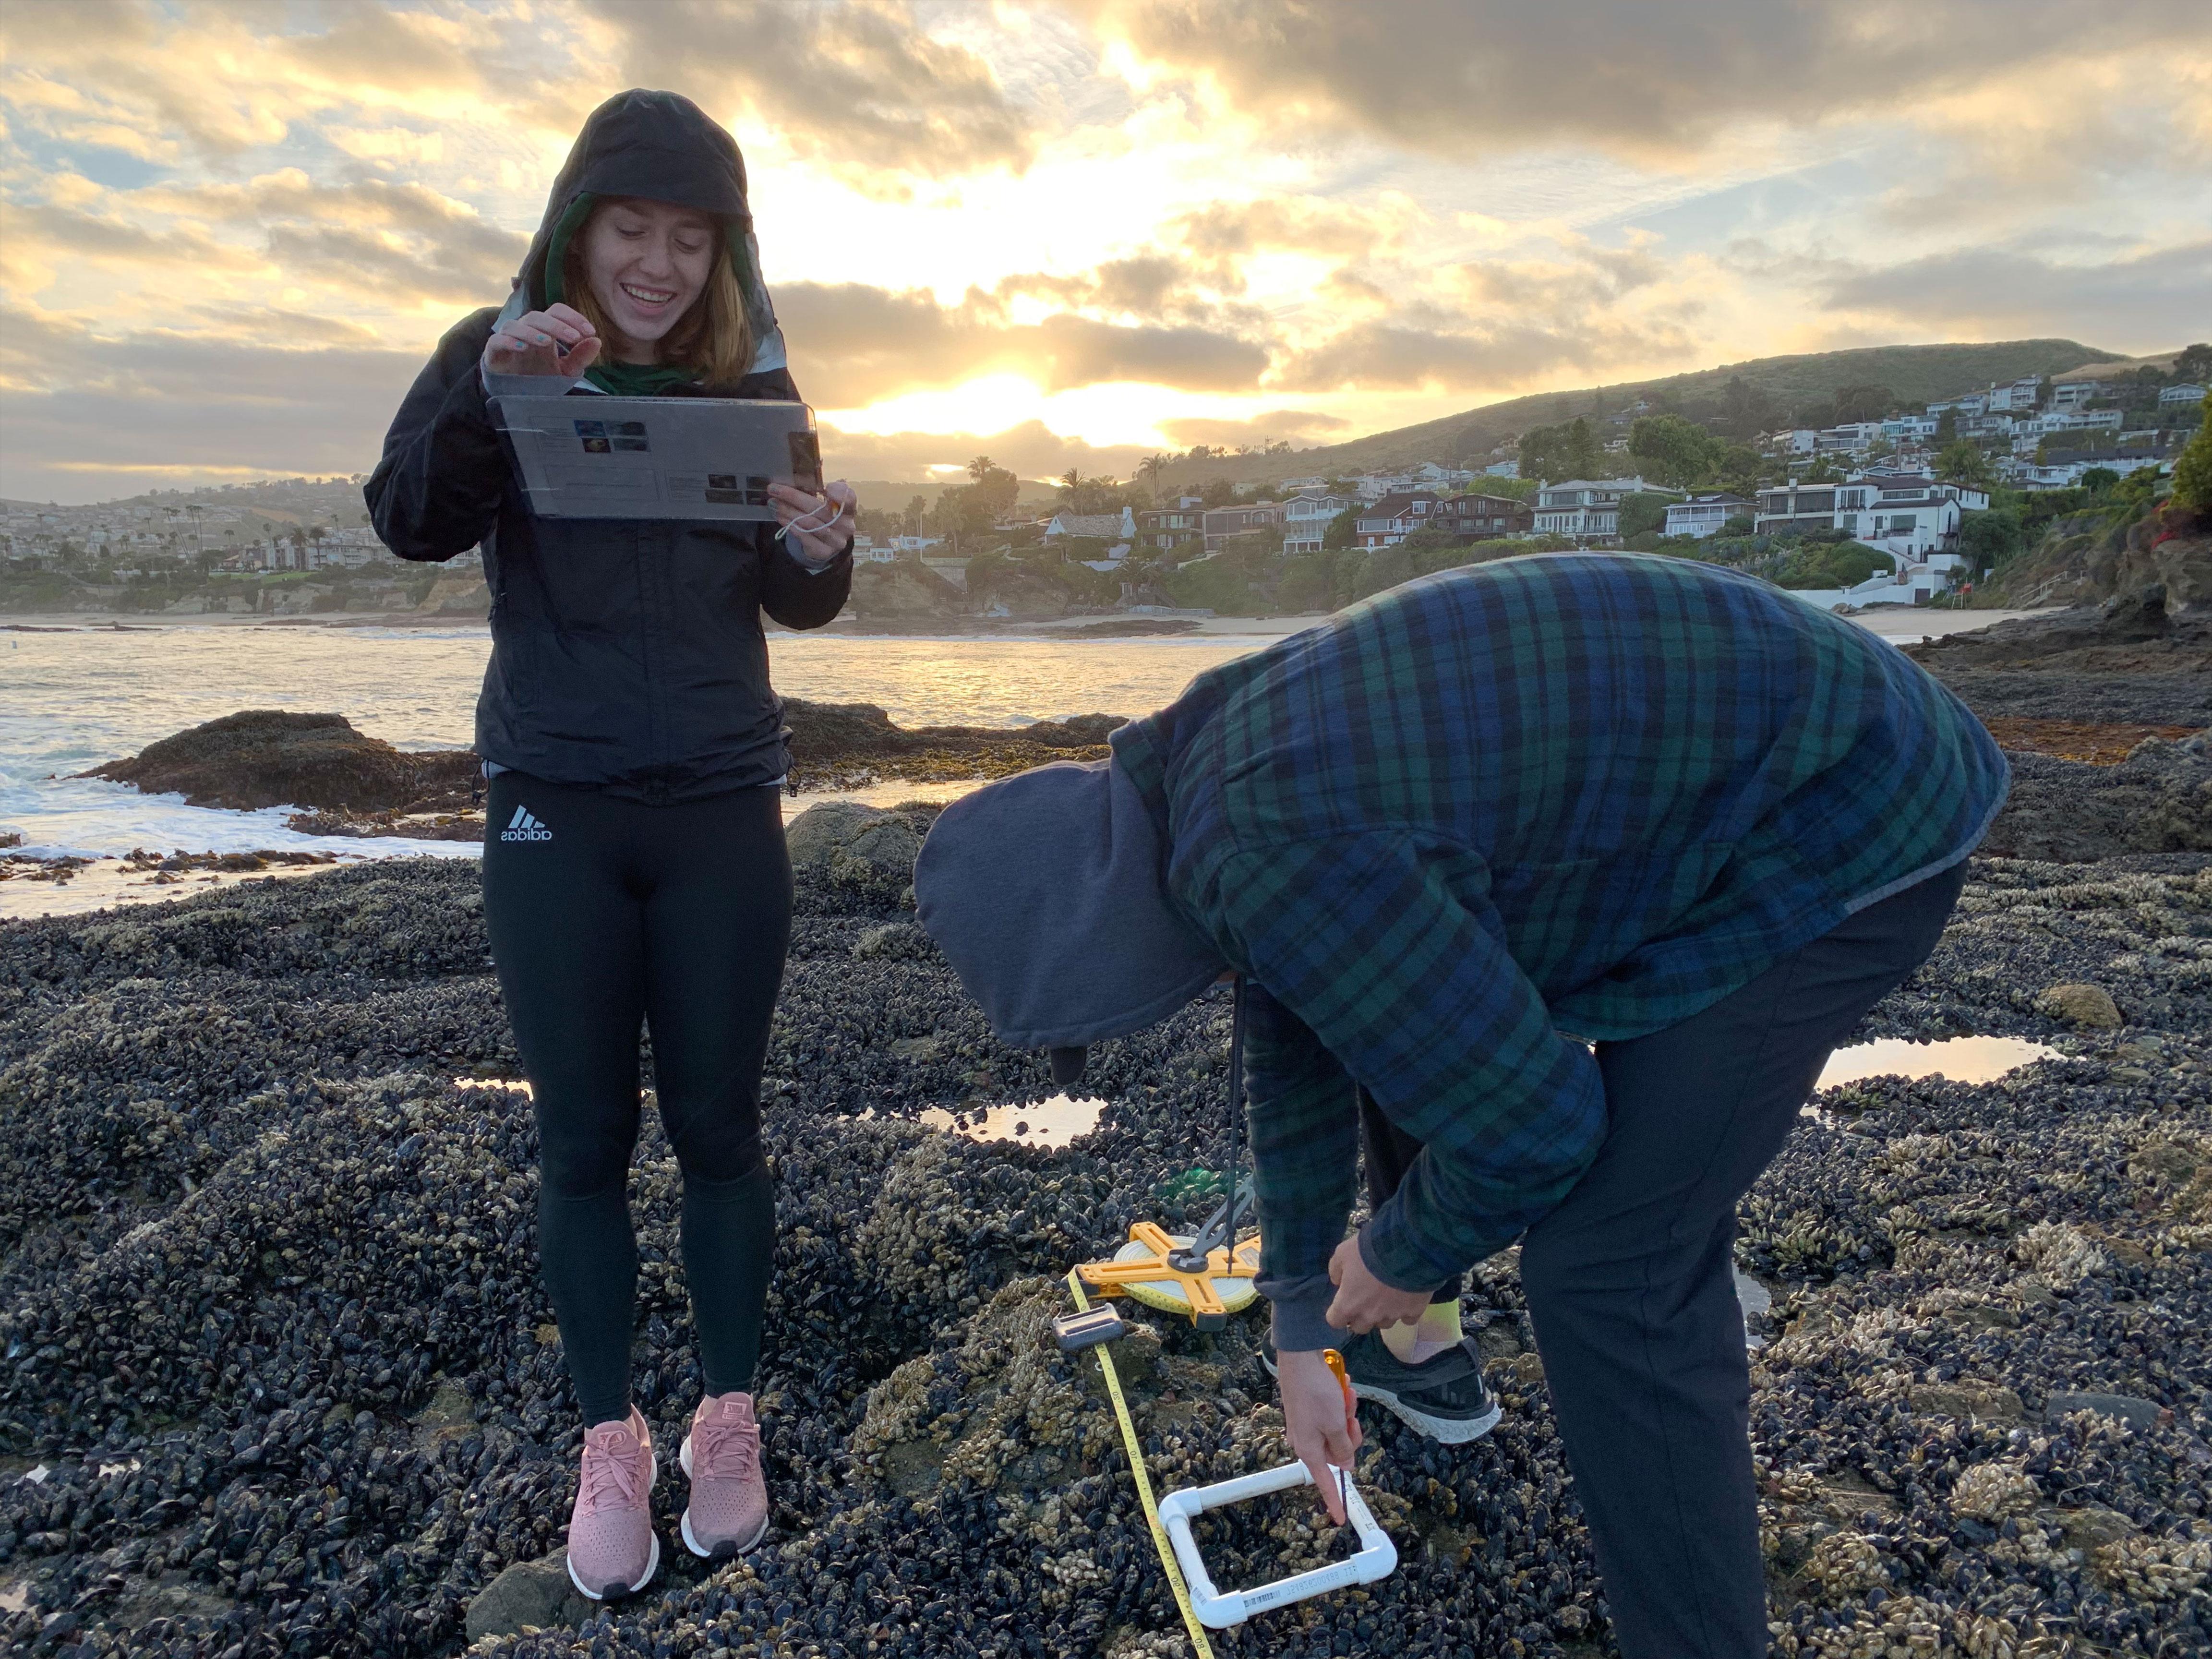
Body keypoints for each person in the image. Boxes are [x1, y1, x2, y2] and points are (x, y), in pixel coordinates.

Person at [912, 553, 2008, 1659]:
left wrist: (1403, 1250)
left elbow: (1543, 1126)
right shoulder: (1202, 767)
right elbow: (1301, 1028)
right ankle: (1418, 1359)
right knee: (1410, 1020)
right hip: (1742, 755)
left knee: (1612, 1265)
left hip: (1847, 805)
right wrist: (1301, 1329)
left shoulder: (1269, 844)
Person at [366, 89, 855, 1602]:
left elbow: (795, 598)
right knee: (581, 1140)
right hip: (553, 805)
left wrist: (825, 551)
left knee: (722, 1130)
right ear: (579, 229)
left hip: (719, 802)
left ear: (726, 252)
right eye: (632, 229)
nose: (657, 262)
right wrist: (487, 386)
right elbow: (409, 521)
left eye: (689, 236)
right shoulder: (497, 351)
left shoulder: (752, 377)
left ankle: (727, 1419)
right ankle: (607, 1440)